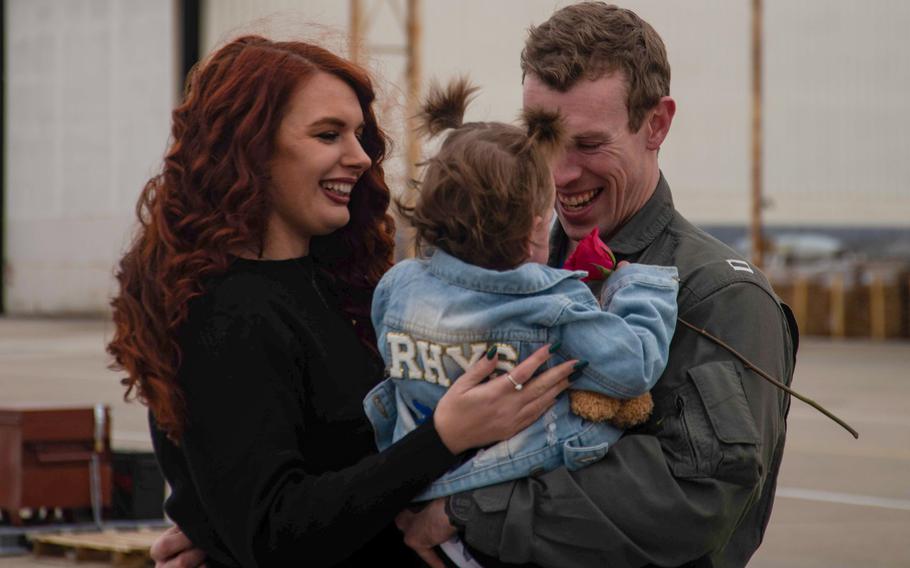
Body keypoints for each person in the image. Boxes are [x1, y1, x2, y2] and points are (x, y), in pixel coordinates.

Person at [108, 35, 578, 567]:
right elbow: (276, 532)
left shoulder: (347, 284)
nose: (358, 157)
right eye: (328, 134)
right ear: (251, 148)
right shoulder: (224, 313)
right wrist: (443, 437)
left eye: (358, 134)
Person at [395, 3, 799, 567]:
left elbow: (691, 497)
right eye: (542, 141)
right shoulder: (510, 271)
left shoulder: (718, 296)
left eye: (588, 146)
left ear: (656, 124)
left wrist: (471, 510)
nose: (559, 174)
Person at [366, 78, 679, 505]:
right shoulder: (550, 307)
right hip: (496, 488)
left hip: (415, 479)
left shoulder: (398, 285)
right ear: (536, 224)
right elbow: (634, 367)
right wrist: (639, 287)